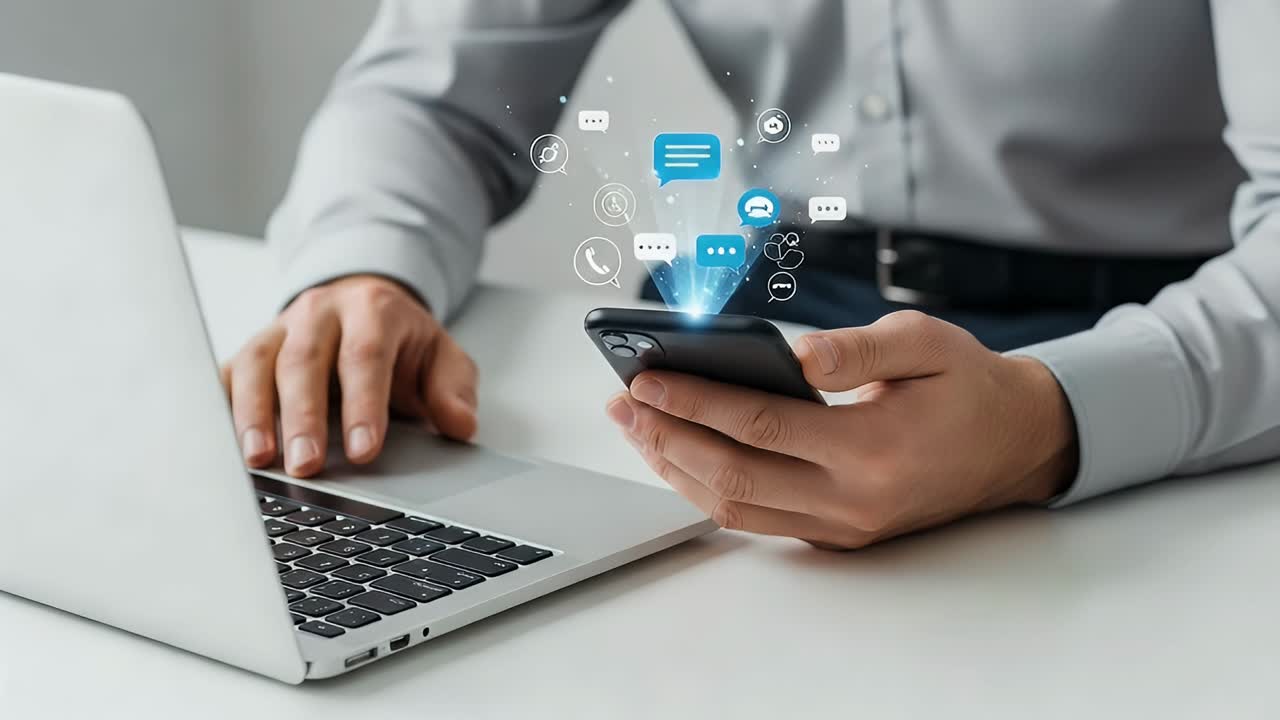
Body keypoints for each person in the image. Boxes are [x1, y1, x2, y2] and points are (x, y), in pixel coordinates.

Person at [222, 1, 1280, 549]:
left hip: (1162, 330)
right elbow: (433, 97)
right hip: (785, 309)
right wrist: (362, 271)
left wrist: (1049, 424)